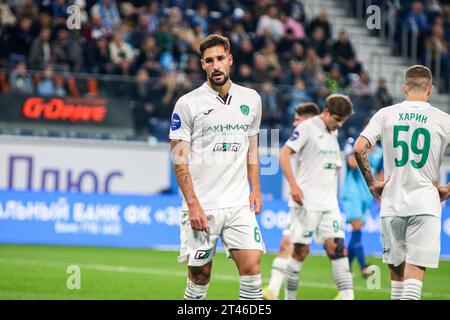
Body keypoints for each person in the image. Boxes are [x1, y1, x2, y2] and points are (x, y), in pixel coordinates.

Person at [169, 34, 265, 300]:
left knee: (252, 269)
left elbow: (253, 148)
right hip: (204, 205)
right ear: (202, 65)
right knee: (200, 276)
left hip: (238, 205)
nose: (216, 65)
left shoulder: (252, 99)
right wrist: (193, 205)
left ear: (230, 59)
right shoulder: (187, 104)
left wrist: (255, 188)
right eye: (209, 61)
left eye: (220, 59)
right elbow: (179, 159)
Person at [354, 65, 450, 300]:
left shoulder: (385, 114)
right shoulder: (443, 119)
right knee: (413, 278)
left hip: (392, 204)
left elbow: (359, 149)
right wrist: (448, 188)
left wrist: (372, 183)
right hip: (425, 205)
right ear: (430, 89)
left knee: (397, 278)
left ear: (404, 88)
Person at [280, 94, 355, 300]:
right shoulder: (307, 127)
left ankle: (348, 296)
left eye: (343, 121)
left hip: (329, 204)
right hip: (306, 203)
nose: (339, 124)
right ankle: (289, 298)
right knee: (300, 252)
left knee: (338, 249)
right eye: (337, 119)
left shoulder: (334, 131)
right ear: (327, 112)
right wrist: (294, 185)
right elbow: (284, 154)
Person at [262, 102, 320, 300]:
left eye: (298, 119)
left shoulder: (326, 136)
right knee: (288, 243)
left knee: (330, 248)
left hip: (319, 204)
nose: (294, 123)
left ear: (309, 119)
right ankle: (273, 291)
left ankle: (347, 292)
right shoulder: (305, 136)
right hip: (302, 201)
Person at [342, 129, 383, 278]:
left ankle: (345, 268)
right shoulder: (353, 143)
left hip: (367, 196)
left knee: (356, 233)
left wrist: (381, 198)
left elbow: (380, 173)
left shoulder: (381, 152)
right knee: (357, 230)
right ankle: (363, 267)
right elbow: (352, 163)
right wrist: (366, 150)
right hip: (352, 194)